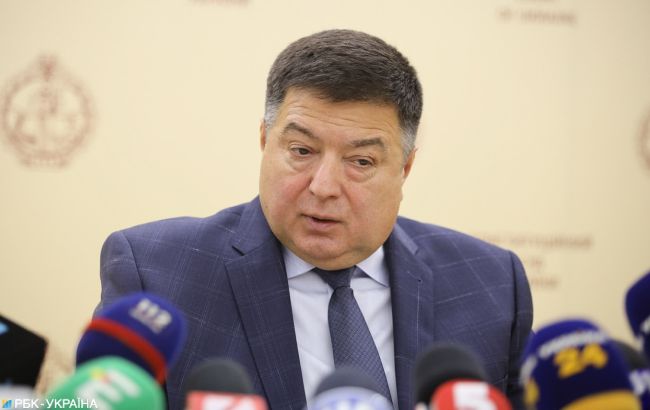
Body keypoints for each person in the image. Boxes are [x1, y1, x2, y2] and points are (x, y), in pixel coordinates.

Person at [96, 29, 533, 410]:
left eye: (361, 161)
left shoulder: (492, 284)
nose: (323, 186)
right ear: (265, 140)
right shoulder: (156, 274)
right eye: (302, 151)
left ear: (405, 167)